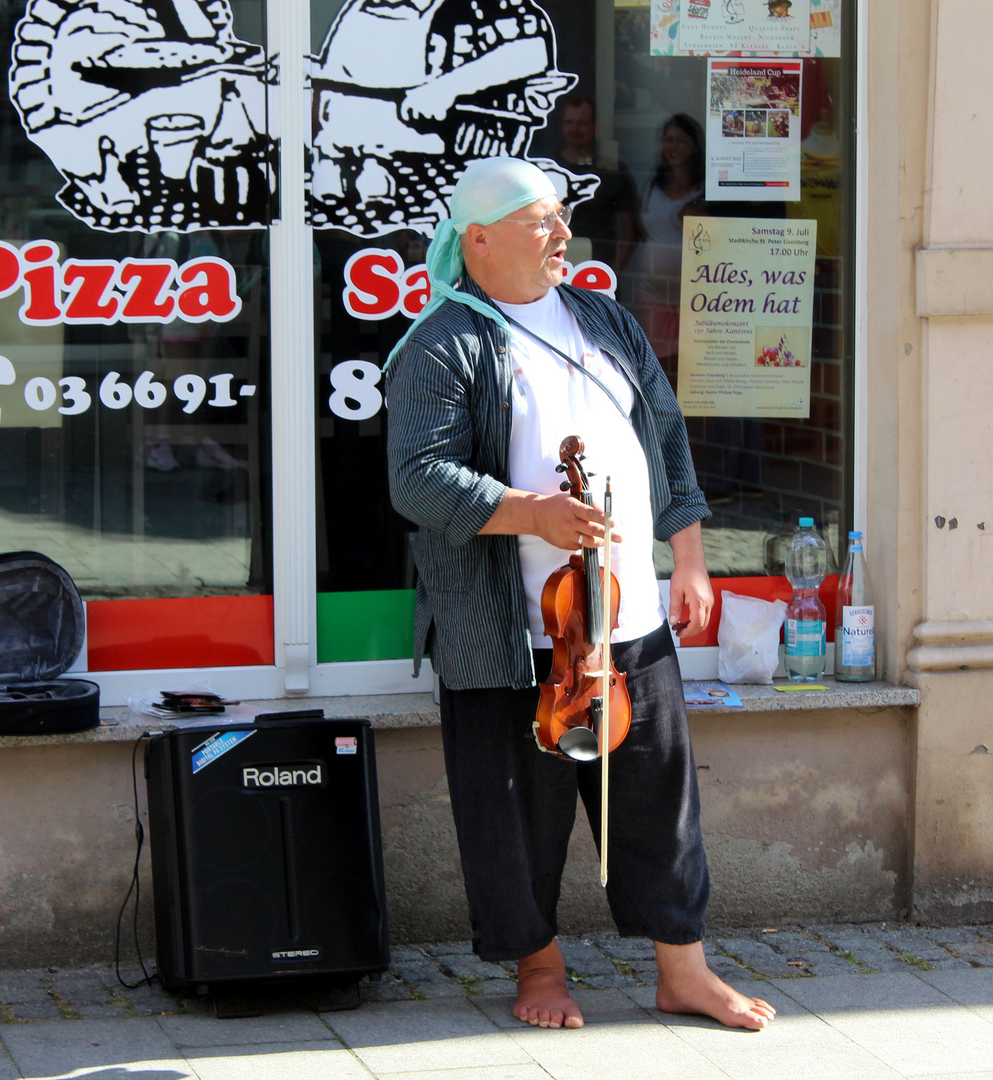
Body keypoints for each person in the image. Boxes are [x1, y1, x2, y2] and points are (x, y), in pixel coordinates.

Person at [384, 156, 775, 1032]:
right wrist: (529, 512)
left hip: (628, 613)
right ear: (476, 238)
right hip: (513, 631)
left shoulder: (602, 318)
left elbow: (662, 435)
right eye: (538, 221)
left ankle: (684, 970)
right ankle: (540, 969)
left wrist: (690, 556)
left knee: (657, 799)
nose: (562, 234)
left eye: (561, 217)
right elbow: (416, 478)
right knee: (517, 814)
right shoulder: (439, 344)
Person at [626, 114, 706, 376]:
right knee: (658, 372)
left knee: (692, 373)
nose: (672, 147)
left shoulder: (707, 190)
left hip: (695, 302)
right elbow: (638, 233)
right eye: (668, 140)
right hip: (652, 297)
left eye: (680, 141)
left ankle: (688, 420)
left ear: (694, 146)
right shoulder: (651, 186)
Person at [555, 96, 640, 274]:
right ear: (562, 126)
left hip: (598, 275)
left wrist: (610, 276)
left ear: (595, 127)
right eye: (570, 122)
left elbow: (630, 236)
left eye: (582, 123)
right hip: (553, 273)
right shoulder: (546, 169)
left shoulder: (614, 172)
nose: (575, 128)